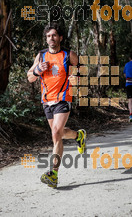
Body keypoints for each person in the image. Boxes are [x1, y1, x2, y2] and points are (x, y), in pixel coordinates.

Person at [27, 22, 86, 188]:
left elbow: (82, 69)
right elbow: (29, 76)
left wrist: (77, 78)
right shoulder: (41, 55)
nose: (50, 38)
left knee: (55, 133)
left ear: (60, 38)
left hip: (63, 97)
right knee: (59, 134)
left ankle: (53, 173)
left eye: (53, 35)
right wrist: (38, 70)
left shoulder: (68, 54)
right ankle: (78, 136)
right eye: (48, 36)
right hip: (47, 100)